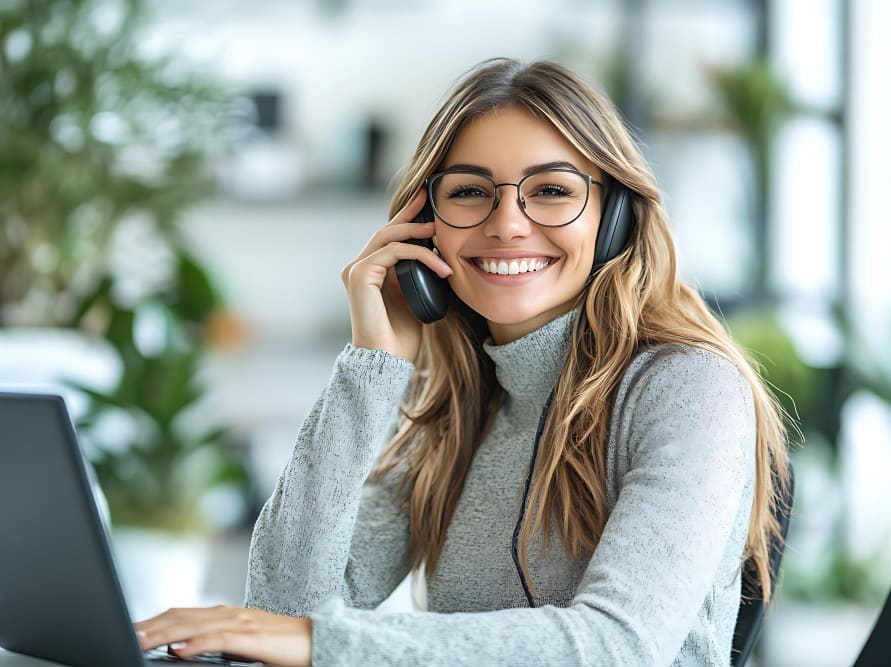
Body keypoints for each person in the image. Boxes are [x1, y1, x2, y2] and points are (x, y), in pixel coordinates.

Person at [134, 57, 792, 666]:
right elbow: (281, 609)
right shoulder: (455, 416)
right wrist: (370, 364)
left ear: (614, 216)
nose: (506, 223)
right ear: (425, 223)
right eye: (471, 192)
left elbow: (618, 646)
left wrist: (322, 643)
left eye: (552, 190)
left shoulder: (688, 387)